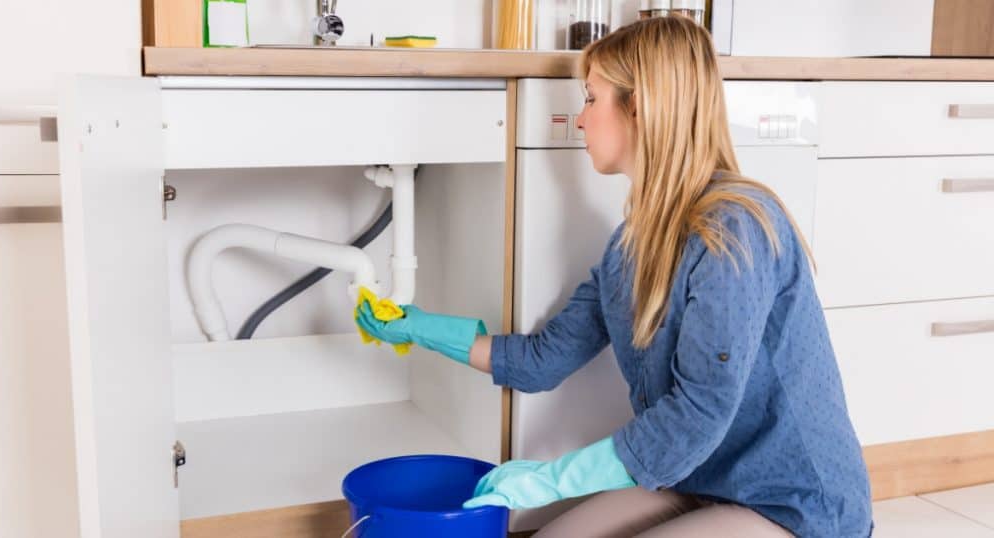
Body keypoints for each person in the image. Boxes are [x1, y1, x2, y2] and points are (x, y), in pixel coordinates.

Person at [355, 15, 873, 537]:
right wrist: (414, 326)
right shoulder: (630, 248)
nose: (580, 120)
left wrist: (552, 480)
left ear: (640, 108)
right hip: (697, 479)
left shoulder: (734, 230)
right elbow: (540, 361)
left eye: (590, 98)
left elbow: (698, 414)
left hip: (794, 506)